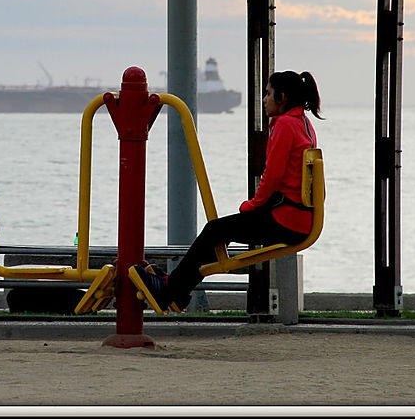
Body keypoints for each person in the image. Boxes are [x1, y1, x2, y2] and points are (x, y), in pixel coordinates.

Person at [132, 70, 324, 313]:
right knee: (219, 233)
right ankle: (177, 291)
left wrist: (253, 205)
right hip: (298, 217)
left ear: (282, 98)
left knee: (215, 230)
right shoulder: (303, 123)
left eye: (267, 94)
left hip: (287, 220)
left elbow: (273, 174)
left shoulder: (285, 124)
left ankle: (170, 290)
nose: (264, 99)